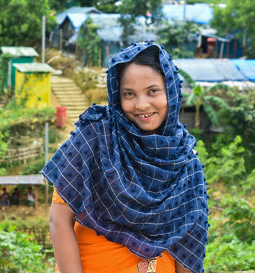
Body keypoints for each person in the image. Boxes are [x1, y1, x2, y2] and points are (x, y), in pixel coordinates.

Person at [41, 42, 209, 273]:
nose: (141, 105)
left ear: (170, 90)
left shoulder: (186, 162)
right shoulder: (94, 139)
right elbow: (59, 221)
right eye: (129, 94)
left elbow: (188, 247)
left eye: (153, 91)